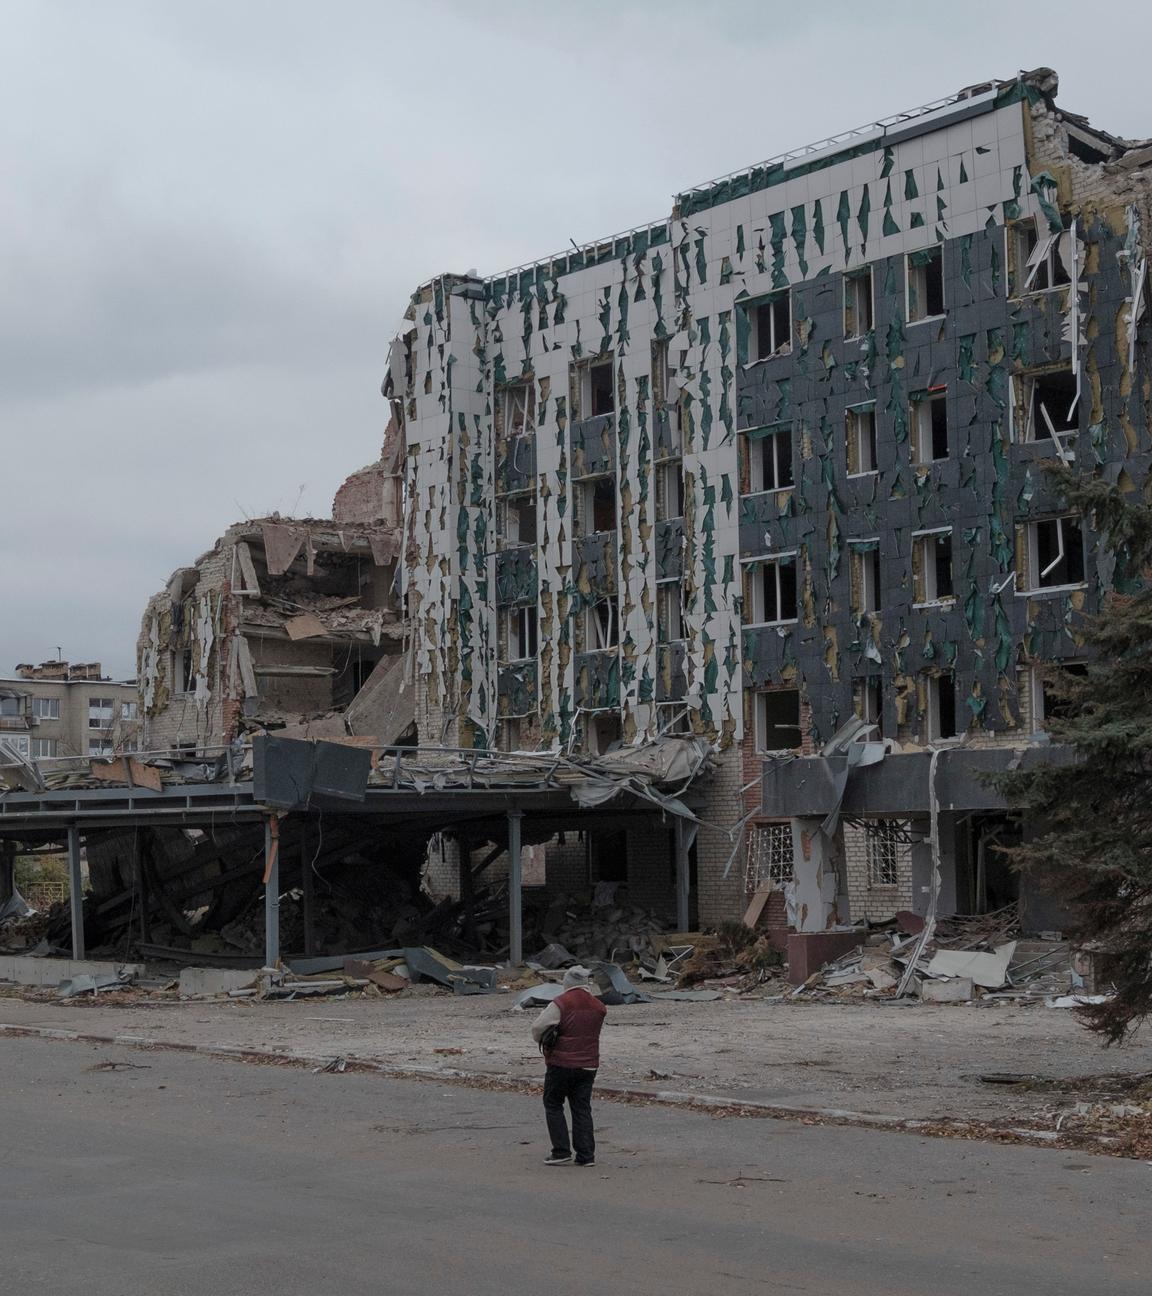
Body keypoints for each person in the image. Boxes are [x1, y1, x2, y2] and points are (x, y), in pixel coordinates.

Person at [530, 965, 607, 1166]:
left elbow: (537, 1027)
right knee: (581, 1107)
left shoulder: (561, 1003)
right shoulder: (598, 1006)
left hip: (561, 1063)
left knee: (553, 1104)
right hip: (589, 1064)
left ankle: (561, 1151)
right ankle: (586, 1155)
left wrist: (545, 1039)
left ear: (567, 983)